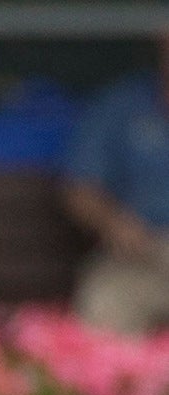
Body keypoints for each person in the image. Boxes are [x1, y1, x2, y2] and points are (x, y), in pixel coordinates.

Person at [65, 36, 169, 334]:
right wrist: (114, 222)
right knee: (105, 305)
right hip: (142, 255)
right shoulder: (121, 106)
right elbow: (79, 189)